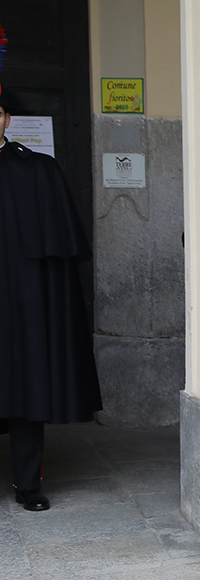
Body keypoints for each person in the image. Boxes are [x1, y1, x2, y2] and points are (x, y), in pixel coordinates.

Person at [0, 95, 102, 512]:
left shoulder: (37, 171)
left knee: (27, 393)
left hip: (23, 309)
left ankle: (28, 484)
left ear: (5, 118)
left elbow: (59, 258)